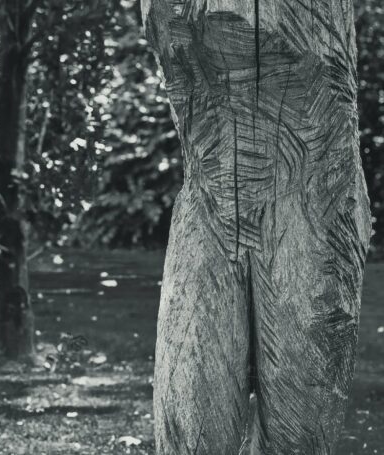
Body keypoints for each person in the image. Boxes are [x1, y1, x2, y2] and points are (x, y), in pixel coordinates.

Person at [142, 1, 372, 453]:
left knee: (298, 432)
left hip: (310, 190)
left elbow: (289, 51)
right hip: (208, 190)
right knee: (191, 419)